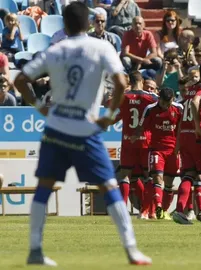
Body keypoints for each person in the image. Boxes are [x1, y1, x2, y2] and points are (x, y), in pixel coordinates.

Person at [13, 2, 151, 266]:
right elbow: (121, 82)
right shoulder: (101, 47)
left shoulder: (56, 49)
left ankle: (34, 250)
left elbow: (20, 80)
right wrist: (109, 116)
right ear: (88, 24)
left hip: (56, 128)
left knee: (44, 187)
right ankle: (132, 251)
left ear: (64, 25)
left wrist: (40, 106)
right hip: (85, 130)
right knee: (109, 186)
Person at [173, 60, 201, 225]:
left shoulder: (190, 89)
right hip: (199, 137)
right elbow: (194, 102)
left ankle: (179, 211)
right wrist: (198, 127)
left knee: (188, 175)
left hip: (185, 136)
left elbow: (187, 108)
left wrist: (178, 143)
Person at [132, 87, 182, 220]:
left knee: (169, 183)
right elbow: (141, 126)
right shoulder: (150, 109)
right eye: (163, 103)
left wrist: (178, 148)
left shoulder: (179, 109)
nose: (166, 106)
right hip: (157, 150)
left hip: (173, 151)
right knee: (157, 179)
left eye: (168, 103)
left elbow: (181, 130)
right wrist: (136, 137)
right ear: (159, 99)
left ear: (173, 99)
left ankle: (163, 211)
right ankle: (157, 207)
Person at [113, 71, 157, 219]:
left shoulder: (123, 97)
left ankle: (121, 211)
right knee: (148, 177)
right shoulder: (151, 98)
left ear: (129, 82)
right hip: (145, 141)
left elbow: (114, 111)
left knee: (125, 176)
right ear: (142, 81)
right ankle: (146, 211)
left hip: (127, 141)